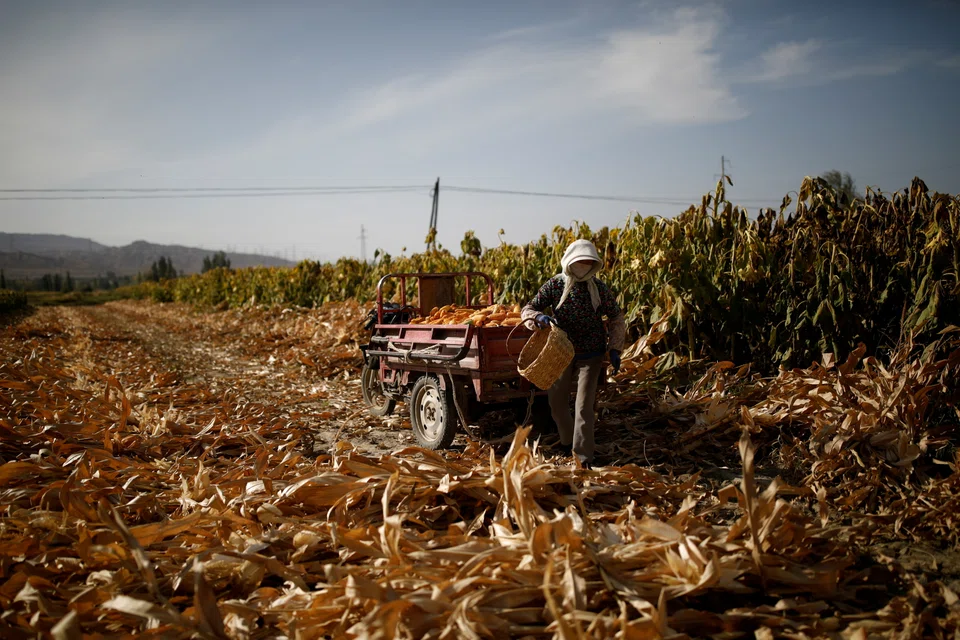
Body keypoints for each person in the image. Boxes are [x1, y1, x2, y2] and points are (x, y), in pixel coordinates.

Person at [520, 239, 626, 467]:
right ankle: (568, 442)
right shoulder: (555, 285)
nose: (583, 266)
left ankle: (583, 457)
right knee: (557, 403)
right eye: (580, 261)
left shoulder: (598, 288)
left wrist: (615, 348)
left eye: (588, 262)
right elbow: (529, 308)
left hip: (592, 352)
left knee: (584, 406)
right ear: (569, 261)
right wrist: (538, 318)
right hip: (561, 351)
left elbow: (616, 317)